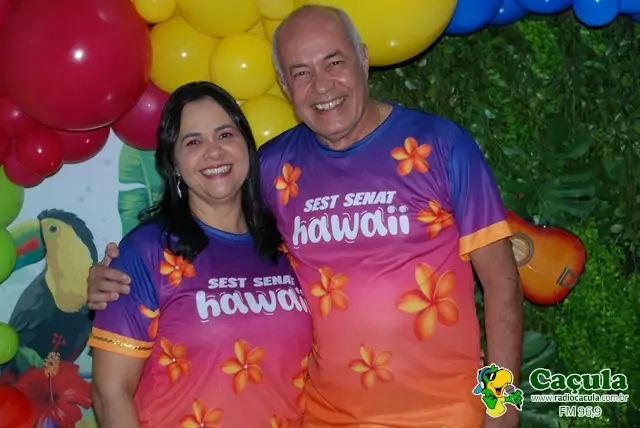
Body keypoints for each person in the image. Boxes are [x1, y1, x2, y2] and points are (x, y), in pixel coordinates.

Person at [87, 5, 523, 428]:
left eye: (334, 62)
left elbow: (501, 281)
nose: (322, 86)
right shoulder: (272, 169)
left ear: (363, 58)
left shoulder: (441, 146)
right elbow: (215, 231)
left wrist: (502, 406)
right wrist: (110, 279)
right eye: (301, 73)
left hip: (446, 414)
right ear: (283, 84)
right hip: (325, 418)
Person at [88, 81, 313, 428]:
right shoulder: (146, 253)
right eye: (193, 142)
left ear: (246, 146)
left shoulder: (289, 245)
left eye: (225, 135)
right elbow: (110, 392)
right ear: (174, 163)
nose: (213, 151)